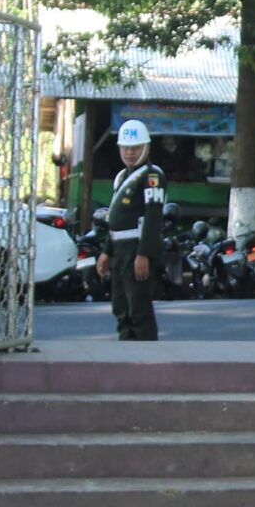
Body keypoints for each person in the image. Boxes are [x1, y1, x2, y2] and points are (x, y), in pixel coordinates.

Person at [99, 119, 167, 341]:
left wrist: (143, 254)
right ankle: (126, 351)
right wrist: (106, 251)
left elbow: (153, 217)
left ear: (146, 147)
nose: (130, 152)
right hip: (119, 248)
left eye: (135, 147)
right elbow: (114, 219)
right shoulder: (122, 177)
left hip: (136, 248)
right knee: (121, 306)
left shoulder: (152, 176)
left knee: (138, 307)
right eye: (126, 147)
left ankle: (147, 357)